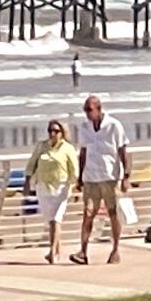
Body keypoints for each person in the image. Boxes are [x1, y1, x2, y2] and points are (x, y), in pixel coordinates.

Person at [71, 94, 131, 265]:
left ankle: (116, 249)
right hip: (91, 176)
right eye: (85, 110)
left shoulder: (114, 126)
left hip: (109, 175)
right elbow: (83, 153)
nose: (88, 114)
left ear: (99, 109)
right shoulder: (84, 127)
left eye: (90, 110)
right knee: (88, 212)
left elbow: (123, 151)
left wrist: (126, 175)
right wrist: (80, 176)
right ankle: (83, 251)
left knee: (113, 213)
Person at [28, 119, 80, 263]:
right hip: (44, 187)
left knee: (55, 220)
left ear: (62, 133)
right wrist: (27, 182)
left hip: (61, 188)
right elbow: (32, 163)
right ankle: (58, 250)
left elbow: (74, 171)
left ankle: (52, 252)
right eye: (50, 131)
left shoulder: (68, 148)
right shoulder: (42, 146)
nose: (53, 134)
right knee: (51, 220)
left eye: (56, 131)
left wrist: (75, 187)